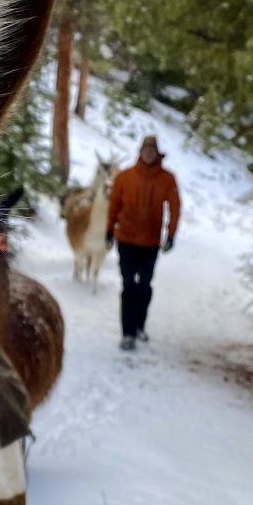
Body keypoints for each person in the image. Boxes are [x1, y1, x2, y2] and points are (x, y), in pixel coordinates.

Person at [105, 134, 180, 350]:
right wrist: (109, 231)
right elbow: (114, 205)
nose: (148, 154)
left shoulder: (167, 179)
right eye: (145, 150)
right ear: (140, 153)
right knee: (128, 285)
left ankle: (139, 325)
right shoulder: (125, 177)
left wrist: (170, 235)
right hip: (126, 240)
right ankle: (127, 333)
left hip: (150, 243)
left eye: (152, 151)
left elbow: (175, 207)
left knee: (144, 286)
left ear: (157, 154)